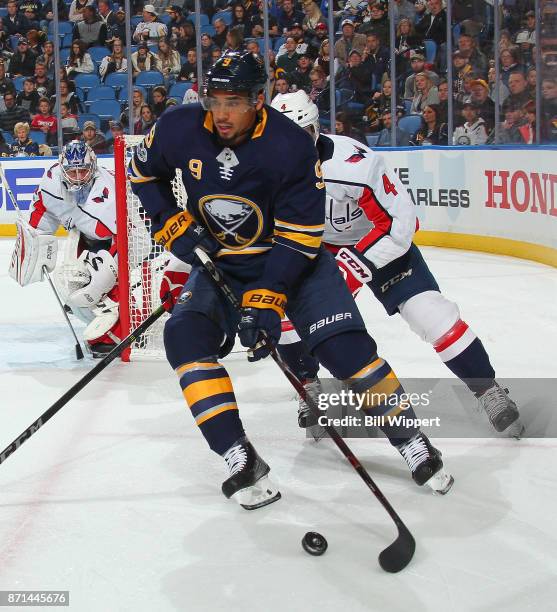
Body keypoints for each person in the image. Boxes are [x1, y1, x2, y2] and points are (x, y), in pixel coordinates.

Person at [130, 50, 454, 509]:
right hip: (223, 263)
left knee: (346, 353)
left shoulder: (290, 145)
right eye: (214, 100)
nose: (222, 114)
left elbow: (302, 237)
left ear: (258, 100)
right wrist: (170, 222)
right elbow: (143, 175)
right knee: (183, 338)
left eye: (234, 101)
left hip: (294, 265)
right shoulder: (178, 128)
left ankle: (412, 440)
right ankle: (239, 455)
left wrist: (266, 302)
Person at [271, 90, 523, 441]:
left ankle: (488, 388)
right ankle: (308, 386)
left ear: (317, 129)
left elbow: (400, 223)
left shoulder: (355, 164)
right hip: (314, 250)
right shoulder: (264, 170)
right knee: (283, 316)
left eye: (304, 136)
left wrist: (356, 264)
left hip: (378, 244)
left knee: (431, 314)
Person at [9, 140, 121, 357]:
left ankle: (114, 331)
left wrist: (111, 268)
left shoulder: (109, 191)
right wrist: (35, 240)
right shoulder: (52, 182)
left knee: (102, 284)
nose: (78, 177)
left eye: (83, 170)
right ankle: (97, 316)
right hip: (86, 238)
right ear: (63, 169)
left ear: (93, 167)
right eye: (72, 171)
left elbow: (132, 234)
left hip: (123, 242)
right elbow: (42, 210)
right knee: (72, 284)